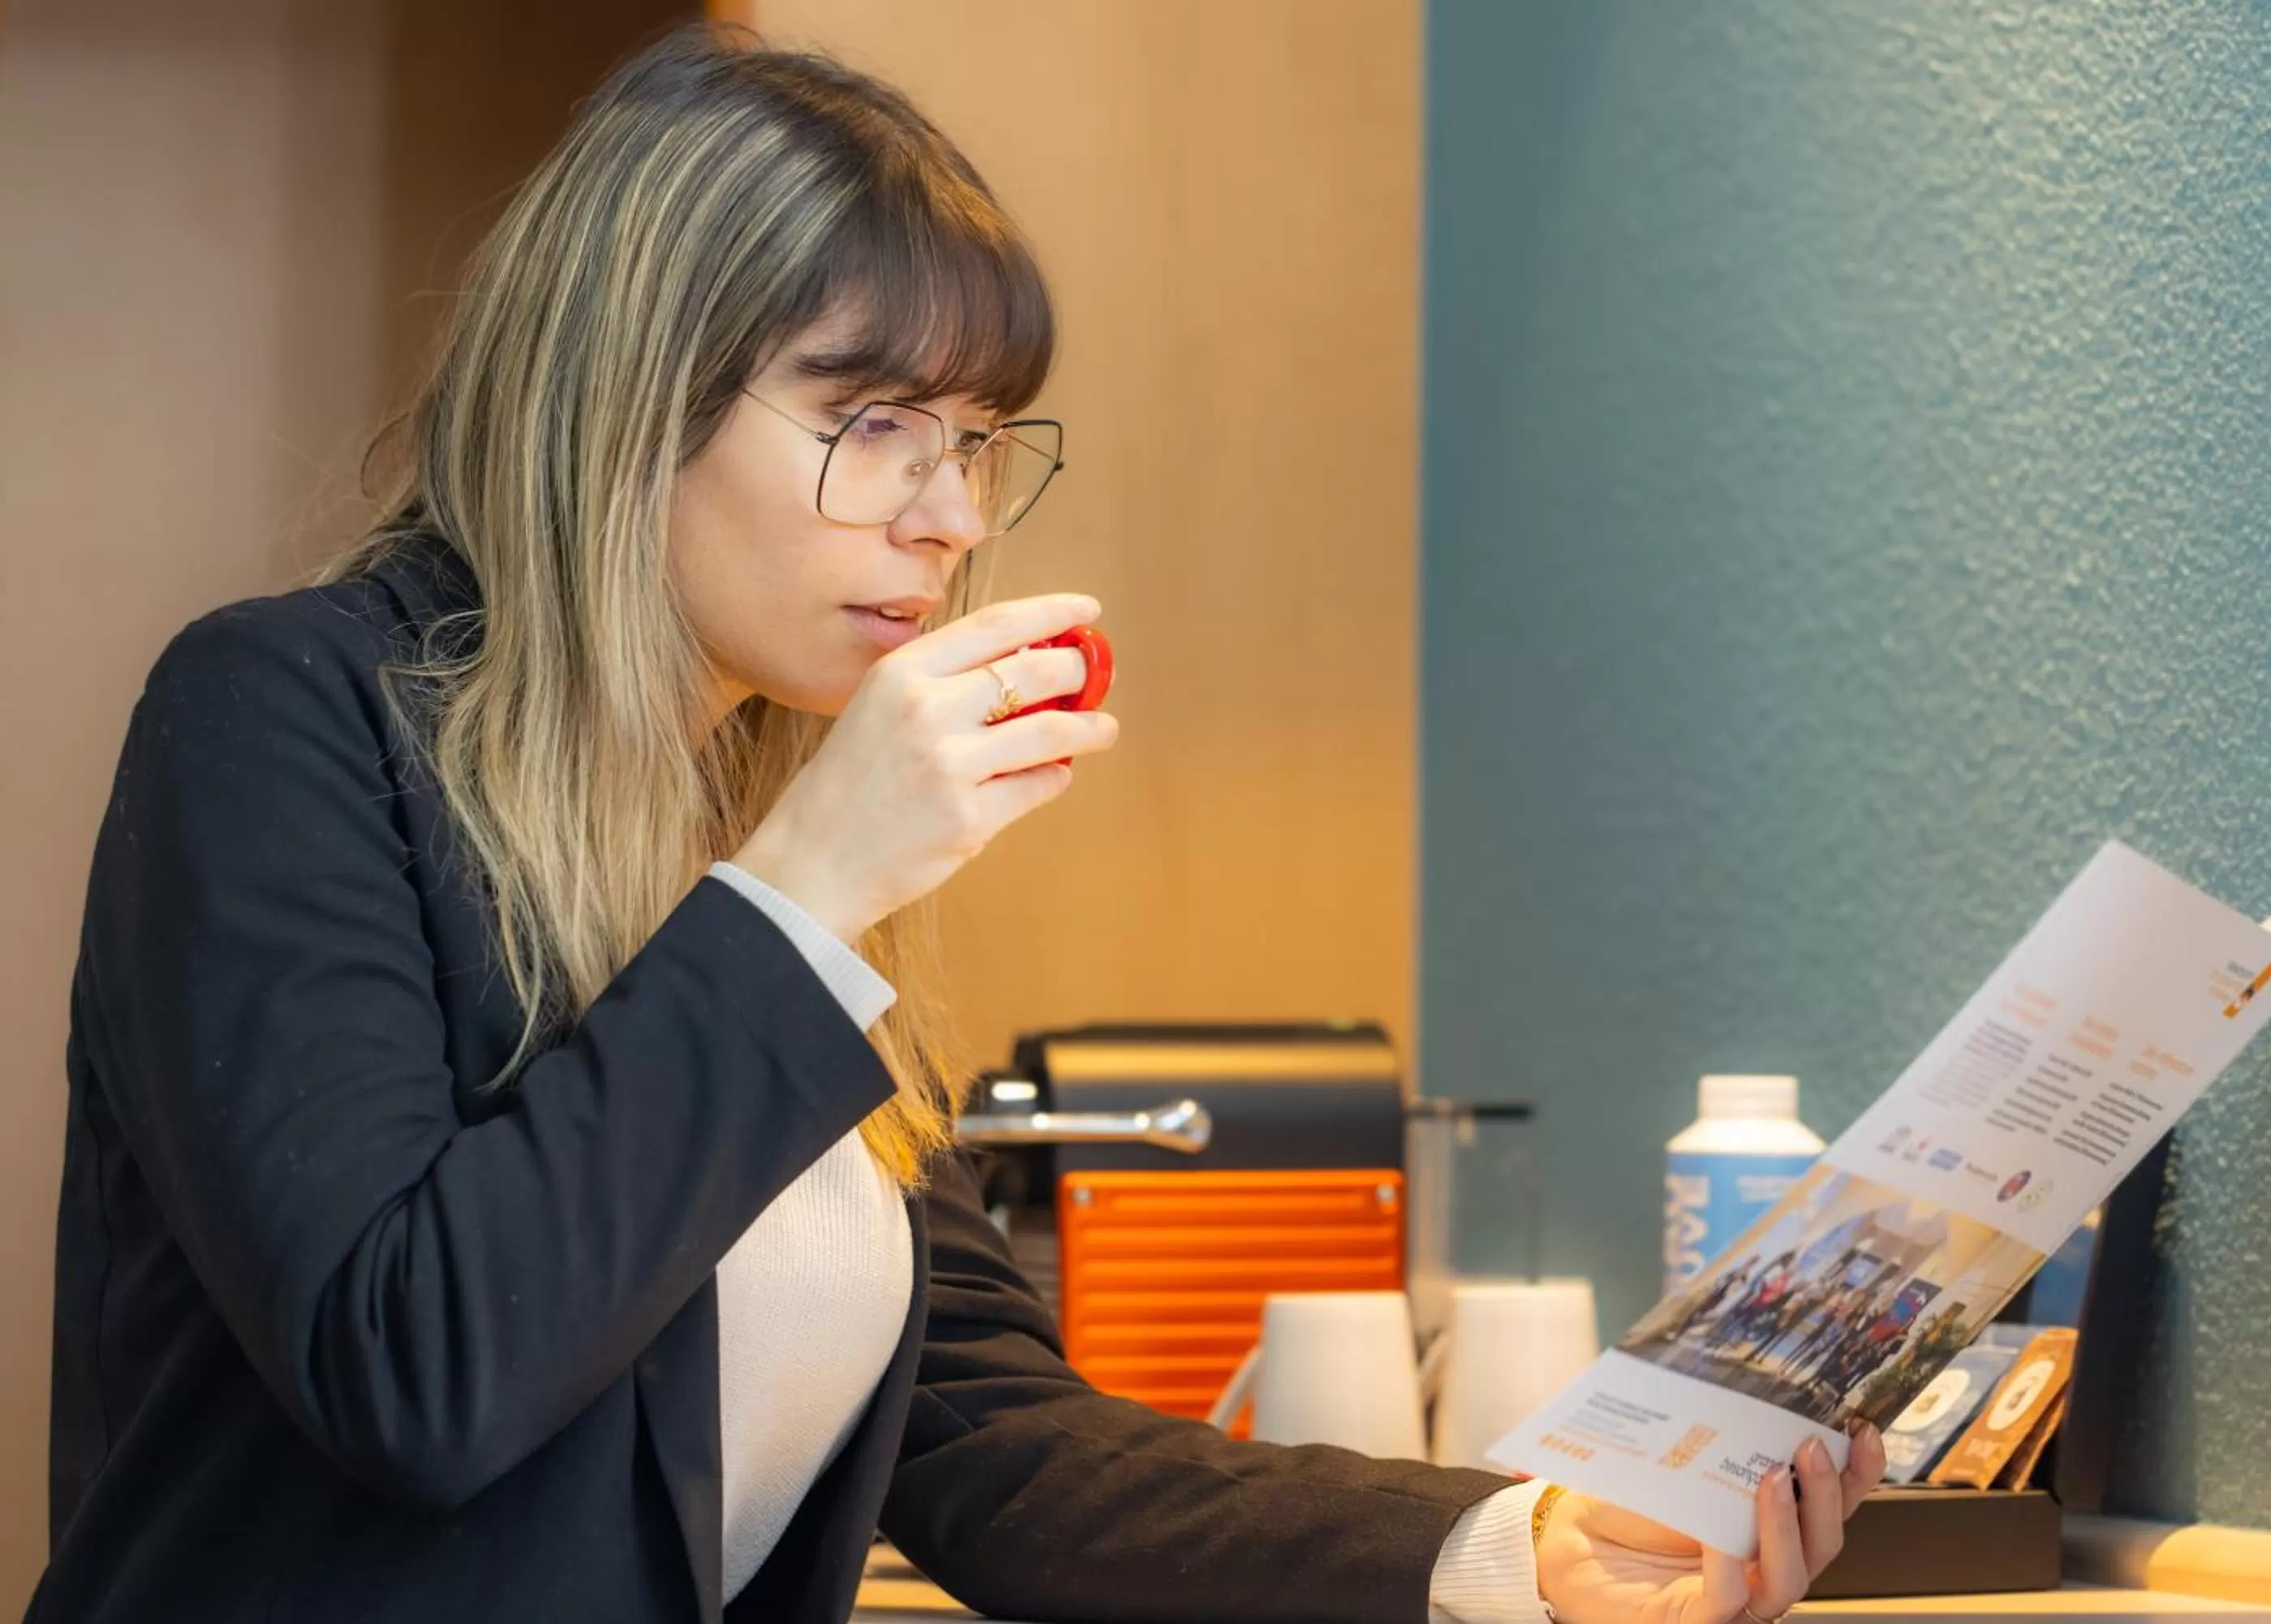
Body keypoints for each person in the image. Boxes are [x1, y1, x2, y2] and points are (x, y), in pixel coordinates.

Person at [30, 27, 1882, 1624]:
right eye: (876, 419)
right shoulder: (286, 720)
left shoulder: (745, 822)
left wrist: (1510, 1549)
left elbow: (995, 1441)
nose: (951, 514)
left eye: (979, 436)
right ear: (628, 399)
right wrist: (805, 892)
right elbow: (413, 1365)